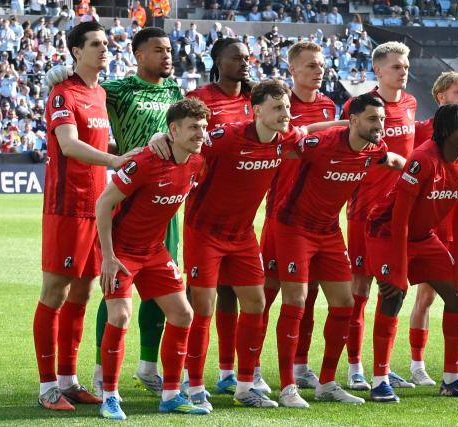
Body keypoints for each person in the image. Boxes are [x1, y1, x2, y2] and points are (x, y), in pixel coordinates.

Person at [166, 79, 344, 410]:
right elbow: (188, 146)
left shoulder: (286, 137)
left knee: (255, 303)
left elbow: (311, 130)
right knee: (202, 308)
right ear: (257, 110)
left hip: (243, 233)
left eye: (288, 107)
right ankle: (193, 387)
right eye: (278, 107)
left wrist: (344, 122)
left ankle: (245, 385)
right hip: (205, 231)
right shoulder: (227, 138)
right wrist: (159, 140)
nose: (285, 113)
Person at [46, 27, 186, 399]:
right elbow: (80, 97)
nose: (167, 56)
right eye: (158, 50)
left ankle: (148, 367)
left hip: (168, 203)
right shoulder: (117, 89)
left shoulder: (176, 92)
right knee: (109, 284)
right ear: (139, 55)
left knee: (165, 287)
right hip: (126, 197)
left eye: (169, 49)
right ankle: (96, 371)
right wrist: (59, 73)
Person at [273, 93, 406, 407]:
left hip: (329, 231)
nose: (380, 126)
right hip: (294, 227)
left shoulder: (376, 150)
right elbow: (284, 148)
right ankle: (287, 385)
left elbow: (396, 162)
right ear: (354, 120)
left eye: (383, 119)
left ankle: (327, 382)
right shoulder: (322, 144)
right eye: (373, 119)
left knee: (345, 304)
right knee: (296, 301)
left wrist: (418, 173)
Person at [33, 21, 138, 412]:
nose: (104, 49)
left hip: (98, 206)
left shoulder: (99, 94)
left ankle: (68, 380)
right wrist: (115, 159)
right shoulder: (63, 94)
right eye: (95, 44)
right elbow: (69, 144)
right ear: (77, 51)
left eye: (106, 43)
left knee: (84, 292)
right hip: (66, 206)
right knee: (55, 292)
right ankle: (47, 387)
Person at [94, 99, 211, 419]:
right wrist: (107, 256)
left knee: (183, 314)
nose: (200, 134)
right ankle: (109, 396)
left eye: (203, 127)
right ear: (173, 130)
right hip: (120, 251)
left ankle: (171, 394)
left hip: (153, 250)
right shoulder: (146, 161)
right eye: (193, 128)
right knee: (119, 316)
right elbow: (104, 204)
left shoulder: (196, 161)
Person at [365, 104, 458, 401]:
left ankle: (451, 379)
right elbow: (400, 218)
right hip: (388, 233)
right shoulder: (422, 159)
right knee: (393, 295)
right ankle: (380, 379)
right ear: (446, 131)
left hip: (423, 237)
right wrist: (397, 268)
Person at [257, 41, 337, 391]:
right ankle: (252, 367)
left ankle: (301, 364)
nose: (318, 70)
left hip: (317, 217)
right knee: (267, 293)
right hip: (281, 214)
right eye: (310, 65)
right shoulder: (279, 105)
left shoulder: (328, 105)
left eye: (321, 64)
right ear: (292, 70)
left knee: (312, 293)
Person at [342, 42, 417, 392]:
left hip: (397, 213)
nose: (403, 71)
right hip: (363, 210)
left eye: (405, 65)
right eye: (396, 66)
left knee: (394, 289)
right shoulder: (359, 107)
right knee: (360, 288)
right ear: (378, 71)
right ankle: (355, 366)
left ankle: (381, 368)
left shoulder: (410, 103)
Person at [182, 38, 254, 396]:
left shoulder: (254, 100)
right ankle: (186, 372)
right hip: (205, 209)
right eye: (235, 57)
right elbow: (184, 141)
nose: (243, 62)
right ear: (217, 61)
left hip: (241, 215)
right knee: (200, 297)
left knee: (231, 296)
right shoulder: (201, 99)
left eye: (246, 57)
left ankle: (228, 372)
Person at [407, 71, 458, 387]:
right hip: (434, 227)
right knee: (426, 296)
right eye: (457, 92)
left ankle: (455, 365)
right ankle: (417, 364)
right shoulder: (424, 131)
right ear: (440, 97)